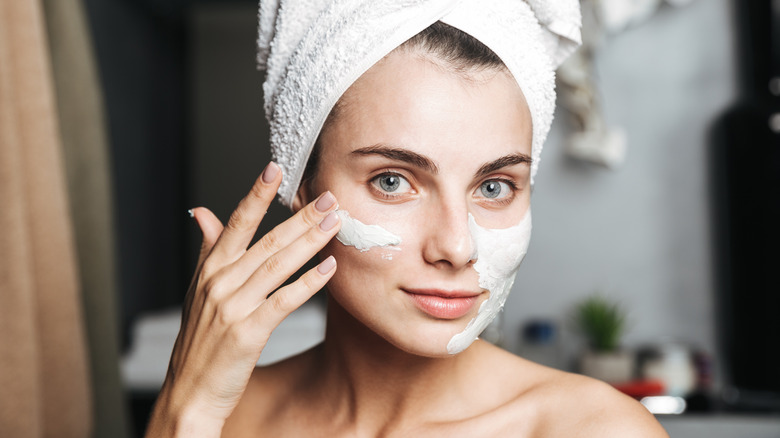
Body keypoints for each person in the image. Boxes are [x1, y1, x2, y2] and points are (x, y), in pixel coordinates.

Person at [146, 1, 669, 436]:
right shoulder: (224, 417)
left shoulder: (594, 430)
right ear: (301, 190)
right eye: (393, 181)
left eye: (494, 187)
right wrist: (184, 414)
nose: (457, 246)